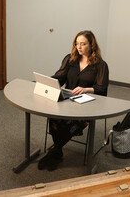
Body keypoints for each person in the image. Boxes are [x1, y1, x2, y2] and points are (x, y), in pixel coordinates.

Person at [38, 30, 109, 171]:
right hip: (68, 99)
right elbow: (60, 77)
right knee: (54, 115)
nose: (79, 47)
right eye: (77, 44)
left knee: (70, 121)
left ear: (91, 45)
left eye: (83, 44)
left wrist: (86, 89)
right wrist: (47, 81)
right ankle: (57, 151)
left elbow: (102, 90)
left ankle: (55, 151)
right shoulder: (70, 59)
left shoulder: (101, 65)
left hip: (87, 104)